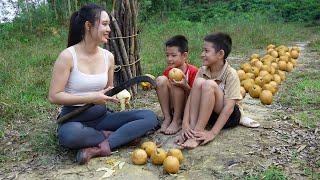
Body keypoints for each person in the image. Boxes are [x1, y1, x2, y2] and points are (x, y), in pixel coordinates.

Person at [48, 3, 159, 165]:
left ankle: (102, 145)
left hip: (102, 117)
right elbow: (54, 96)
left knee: (149, 117)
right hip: (75, 120)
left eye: (109, 25)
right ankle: (118, 136)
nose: (109, 29)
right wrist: (92, 97)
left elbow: (108, 90)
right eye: (105, 24)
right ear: (88, 26)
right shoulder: (68, 56)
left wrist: (118, 95)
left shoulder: (108, 57)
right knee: (69, 136)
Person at [176, 32, 242, 149]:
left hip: (229, 116)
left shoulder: (231, 74)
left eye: (206, 51)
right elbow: (191, 98)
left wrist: (212, 133)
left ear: (220, 54)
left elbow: (229, 108)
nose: (202, 54)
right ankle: (190, 131)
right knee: (198, 82)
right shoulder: (202, 70)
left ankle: (197, 134)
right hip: (209, 114)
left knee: (209, 84)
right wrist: (185, 124)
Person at [156, 35, 198, 135]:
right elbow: (163, 90)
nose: (169, 59)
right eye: (167, 55)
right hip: (173, 106)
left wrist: (185, 86)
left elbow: (197, 96)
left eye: (173, 56)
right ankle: (167, 117)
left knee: (177, 84)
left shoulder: (193, 71)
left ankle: (177, 120)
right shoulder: (168, 71)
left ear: (184, 56)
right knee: (160, 80)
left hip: (188, 109)